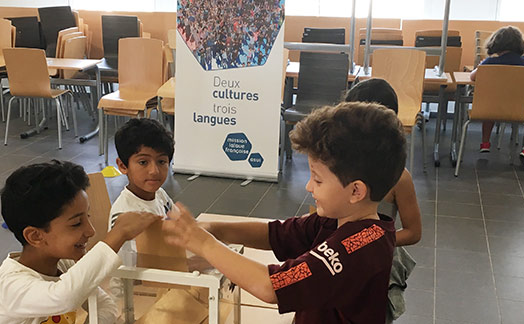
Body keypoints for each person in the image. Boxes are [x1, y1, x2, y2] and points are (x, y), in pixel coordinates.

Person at [164, 102, 406, 323]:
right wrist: (213, 229)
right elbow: (276, 234)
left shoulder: (355, 250)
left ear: (356, 191)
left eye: (318, 180)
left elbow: (271, 287)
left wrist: (204, 243)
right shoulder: (335, 220)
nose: (308, 186)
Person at [0, 160, 159, 324]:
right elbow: (63, 297)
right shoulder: (9, 284)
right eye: (76, 223)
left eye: (88, 216)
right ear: (35, 236)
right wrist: (117, 234)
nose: (91, 231)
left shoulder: (64, 263)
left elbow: (105, 306)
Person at [344, 78, 422, 322]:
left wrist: (373, 241)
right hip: (339, 258)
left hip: (376, 265)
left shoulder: (399, 178)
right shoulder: (340, 166)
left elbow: (413, 232)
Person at [107, 118, 175, 298]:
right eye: (143, 162)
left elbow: (179, 225)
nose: (154, 171)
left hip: (160, 278)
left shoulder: (160, 195)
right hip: (133, 293)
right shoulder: (124, 214)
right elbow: (137, 268)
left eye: (161, 162)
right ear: (123, 166)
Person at [470, 25, 524, 166]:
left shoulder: (489, 62)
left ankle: (485, 143)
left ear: (495, 43)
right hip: (518, 110)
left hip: (490, 109)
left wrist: (481, 65)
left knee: (492, 105)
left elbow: (473, 77)